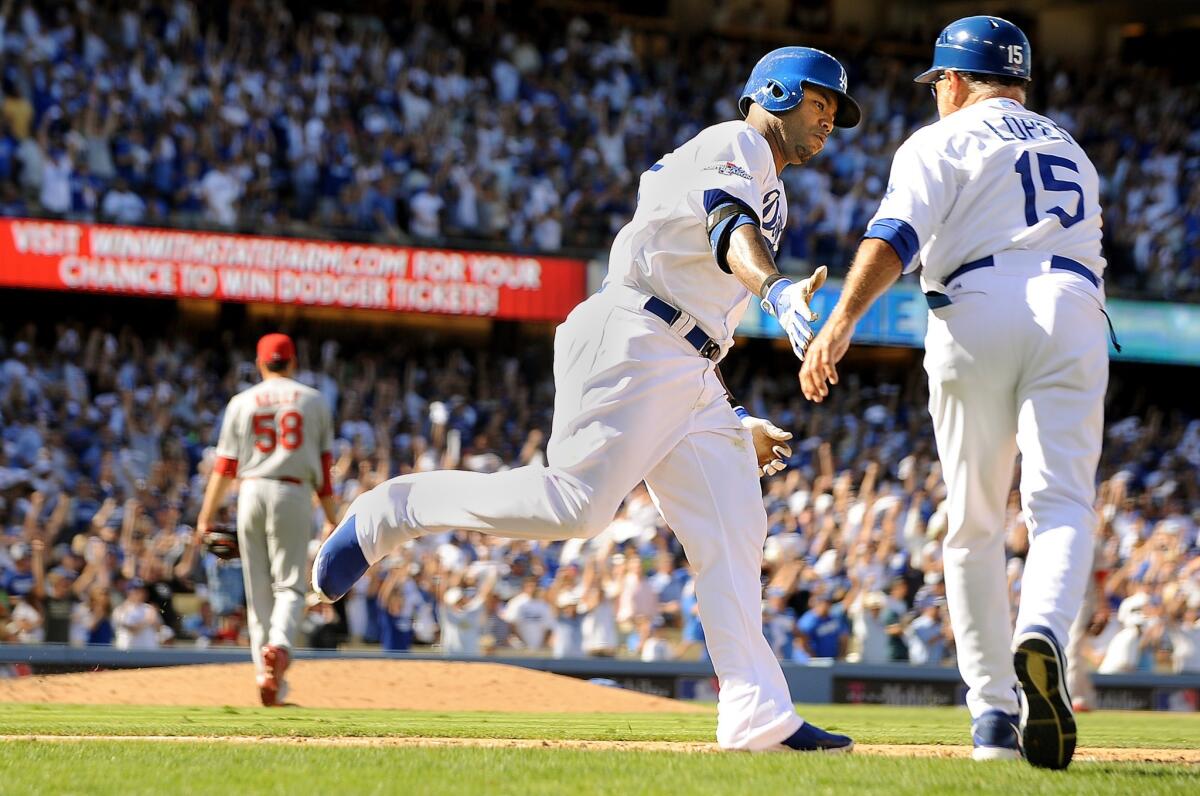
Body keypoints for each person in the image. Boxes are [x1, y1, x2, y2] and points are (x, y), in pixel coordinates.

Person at [316, 46, 861, 752]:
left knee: (733, 528)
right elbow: (730, 226)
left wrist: (724, 417)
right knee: (574, 507)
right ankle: (394, 509)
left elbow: (709, 277)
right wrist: (774, 287)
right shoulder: (740, 142)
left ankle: (756, 713)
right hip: (635, 333)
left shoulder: (768, 176)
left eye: (834, 112)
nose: (828, 122)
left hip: (685, 363)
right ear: (778, 92)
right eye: (820, 103)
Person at [801, 16, 1109, 769]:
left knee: (972, 521)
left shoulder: (942, 138)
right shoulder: (1070, 147)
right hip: (1072, 306)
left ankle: (993, 721)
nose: (937, 93)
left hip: (975, 306)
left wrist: (841, 320)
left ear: (959, 80)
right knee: (1062, 503)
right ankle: (1041, 629)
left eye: (939, 80)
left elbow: (897, 232)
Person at [196, 333, 338, 706]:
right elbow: (324, 470)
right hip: (293, 491)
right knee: (289, 585)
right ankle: (279, 645)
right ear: (293, 363)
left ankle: (264, 671)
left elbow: (224, 466)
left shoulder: (241, 402)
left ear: (260, 364)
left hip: (251, 490)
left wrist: (205, 517)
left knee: (257, 588)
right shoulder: (313, 400)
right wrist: (331, 517)